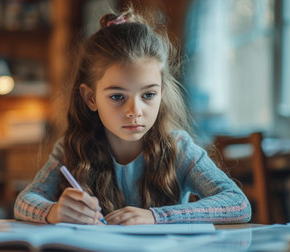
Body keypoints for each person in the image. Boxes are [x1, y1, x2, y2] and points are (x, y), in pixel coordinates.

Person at [14, 7, 251, 225]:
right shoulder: (70, 148)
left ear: (162, 94)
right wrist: (54, 211)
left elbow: (238, 204)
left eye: (148, 95)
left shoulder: (179, 149)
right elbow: (24, 202)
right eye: (117, 97)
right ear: (91, 98)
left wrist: (157, 216)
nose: (135, 111)